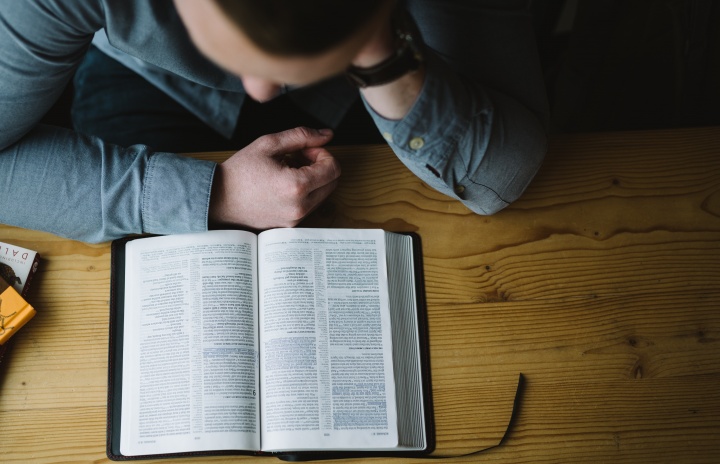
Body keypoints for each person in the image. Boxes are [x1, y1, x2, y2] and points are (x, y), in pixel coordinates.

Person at [0, 0, 548, 243]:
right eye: (247, 58)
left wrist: (379, 51)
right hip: (145, 78)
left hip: (360, 89)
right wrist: (207, 195)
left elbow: (501, 176)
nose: (262, 90)